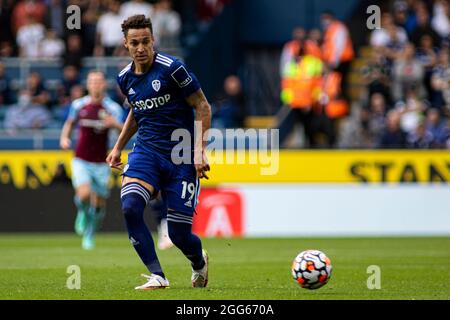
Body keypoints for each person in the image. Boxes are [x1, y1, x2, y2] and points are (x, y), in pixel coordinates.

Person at [106, 14, 211, 290]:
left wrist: (200, 151)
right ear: (125, 45)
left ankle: (199, 261)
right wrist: (118, 146)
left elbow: (202, 106)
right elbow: (136, 111)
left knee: (178, 235)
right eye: (134, 43)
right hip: (147, 152)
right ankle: (158, 275)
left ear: (154, 41)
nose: (141, 48)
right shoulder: (124, 78)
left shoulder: (173, 69)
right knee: (130, 206)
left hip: (181, 156)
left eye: (145, 42)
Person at [60, 71, 124, 250]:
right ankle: (81, 211)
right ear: (88, 85)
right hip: (81, 158)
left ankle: (90, 234)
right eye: (92, 81)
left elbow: (124, 133)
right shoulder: (79, 105)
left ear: (104, 85)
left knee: (99, 203)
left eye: (99, 81)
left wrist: (115, 125)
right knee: (84, 194)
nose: (96, 85)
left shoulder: (112, 109)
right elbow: (69, 123)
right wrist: (64, 138)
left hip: (102, 162)